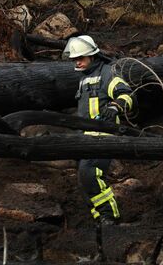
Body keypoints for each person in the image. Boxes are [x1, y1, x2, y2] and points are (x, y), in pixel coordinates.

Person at [63, 35, 134, 225]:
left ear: (93, 56)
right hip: (85, 137)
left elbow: (126, 94)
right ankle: (99, 219)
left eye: (81, 58)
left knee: (90, 174)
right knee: (83, 178)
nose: (77, 62)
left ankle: (109, 217)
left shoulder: (107, 73)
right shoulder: (84, 78)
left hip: (102, 136)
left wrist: (114, 107)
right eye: (75, 59)